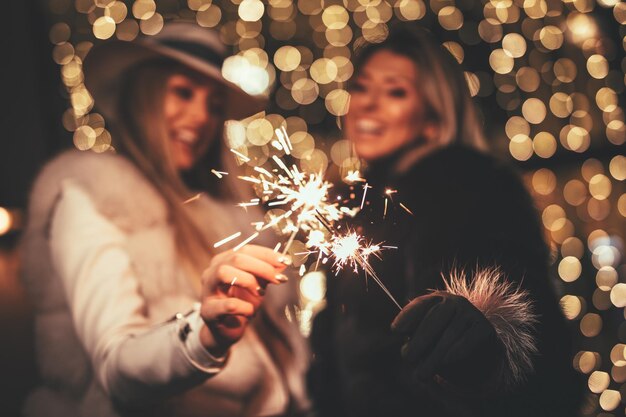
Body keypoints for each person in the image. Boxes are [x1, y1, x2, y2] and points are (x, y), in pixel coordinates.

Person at [21, 23, 309, 417]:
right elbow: (115, 367)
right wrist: (204, 336)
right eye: (183, 93)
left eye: (214, 105)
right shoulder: (94, 198)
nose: (200, 117)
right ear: (144, 96)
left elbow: (282, 360)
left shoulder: (230, 218)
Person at [308, 26, 583, 417]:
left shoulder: (468, 192)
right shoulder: (361, 210)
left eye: (395, 91)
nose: (367, 104)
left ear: (433, 117)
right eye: (363, 87)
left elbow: (527, 341)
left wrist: (481, 347)